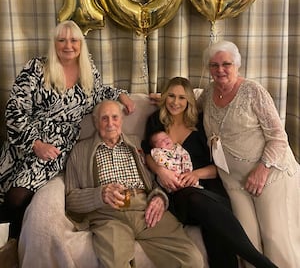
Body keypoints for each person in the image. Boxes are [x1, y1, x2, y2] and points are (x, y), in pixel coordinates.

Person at [0, 20, 135, 239]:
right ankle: (7, 243)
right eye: (61, 40)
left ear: (81, 44)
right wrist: (35, 144)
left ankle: (14, 243)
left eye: (73, 40)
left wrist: (121, 94)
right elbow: (14, 110)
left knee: (17, 196)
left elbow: (98, 92)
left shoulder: (87, 70)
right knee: (3, 191)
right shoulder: (35, 68)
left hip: (57, 146)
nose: (68, 45)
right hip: (25, 140)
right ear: (54, 43)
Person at [143, 77, 278, 268]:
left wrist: (197, 174)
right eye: (171, 96)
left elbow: (219, 166)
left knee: (214, 226)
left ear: (189, 100)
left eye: (182, 98)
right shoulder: (155, 121)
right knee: (196, 200)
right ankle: (263, 264)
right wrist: (160, 171)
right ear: (165, 97)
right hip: (179, 193)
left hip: (208, 186)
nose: (175, 102)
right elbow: (146, 153)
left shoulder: (201, 123)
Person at [65, 100, 204, 268]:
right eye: (104, 118)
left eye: (115, 117)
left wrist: (160, 197)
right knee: (116, 262)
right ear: (95, 122)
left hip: (145, 209)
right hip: (108, 215)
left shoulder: (136, 143)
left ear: (122, 120)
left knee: (192, 260)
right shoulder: (80, 151)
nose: (110, 124)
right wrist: (100, 194)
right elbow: (70, 199)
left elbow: (155, 180)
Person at [200, 40, 300, 268]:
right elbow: (188, 108)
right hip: (233, 181)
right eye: (214, 65)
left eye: (226, 64)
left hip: (269, 175)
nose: (220, 70)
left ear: (237, 66)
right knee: (247, 243)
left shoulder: (253, 91)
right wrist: (166, 98)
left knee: (276, 239)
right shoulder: (207, 94)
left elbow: (278, 137)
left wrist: (262, 169)